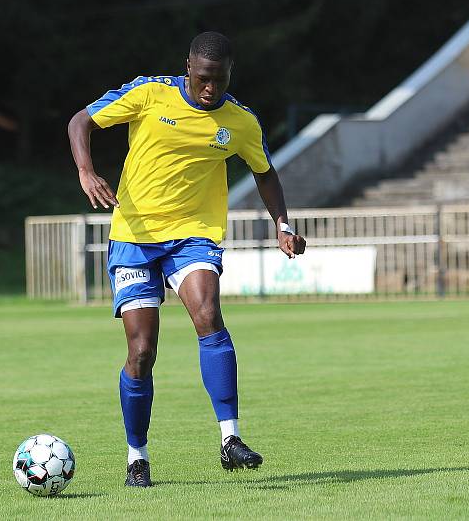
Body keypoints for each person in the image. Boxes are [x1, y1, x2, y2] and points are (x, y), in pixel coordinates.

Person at [68, 31, 306, 486]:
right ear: (188, 68)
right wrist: (86, 170)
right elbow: (81, 121)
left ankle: (230, 439)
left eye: (218, 80)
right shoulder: (148, 93)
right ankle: (136, 455)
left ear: (229, 73)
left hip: (192, 235)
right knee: (141, 351)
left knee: (209, 313)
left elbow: (265, 171)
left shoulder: (240, 122)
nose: (209, 89)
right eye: (202, 79)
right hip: (134, 236)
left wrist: (283, 223)